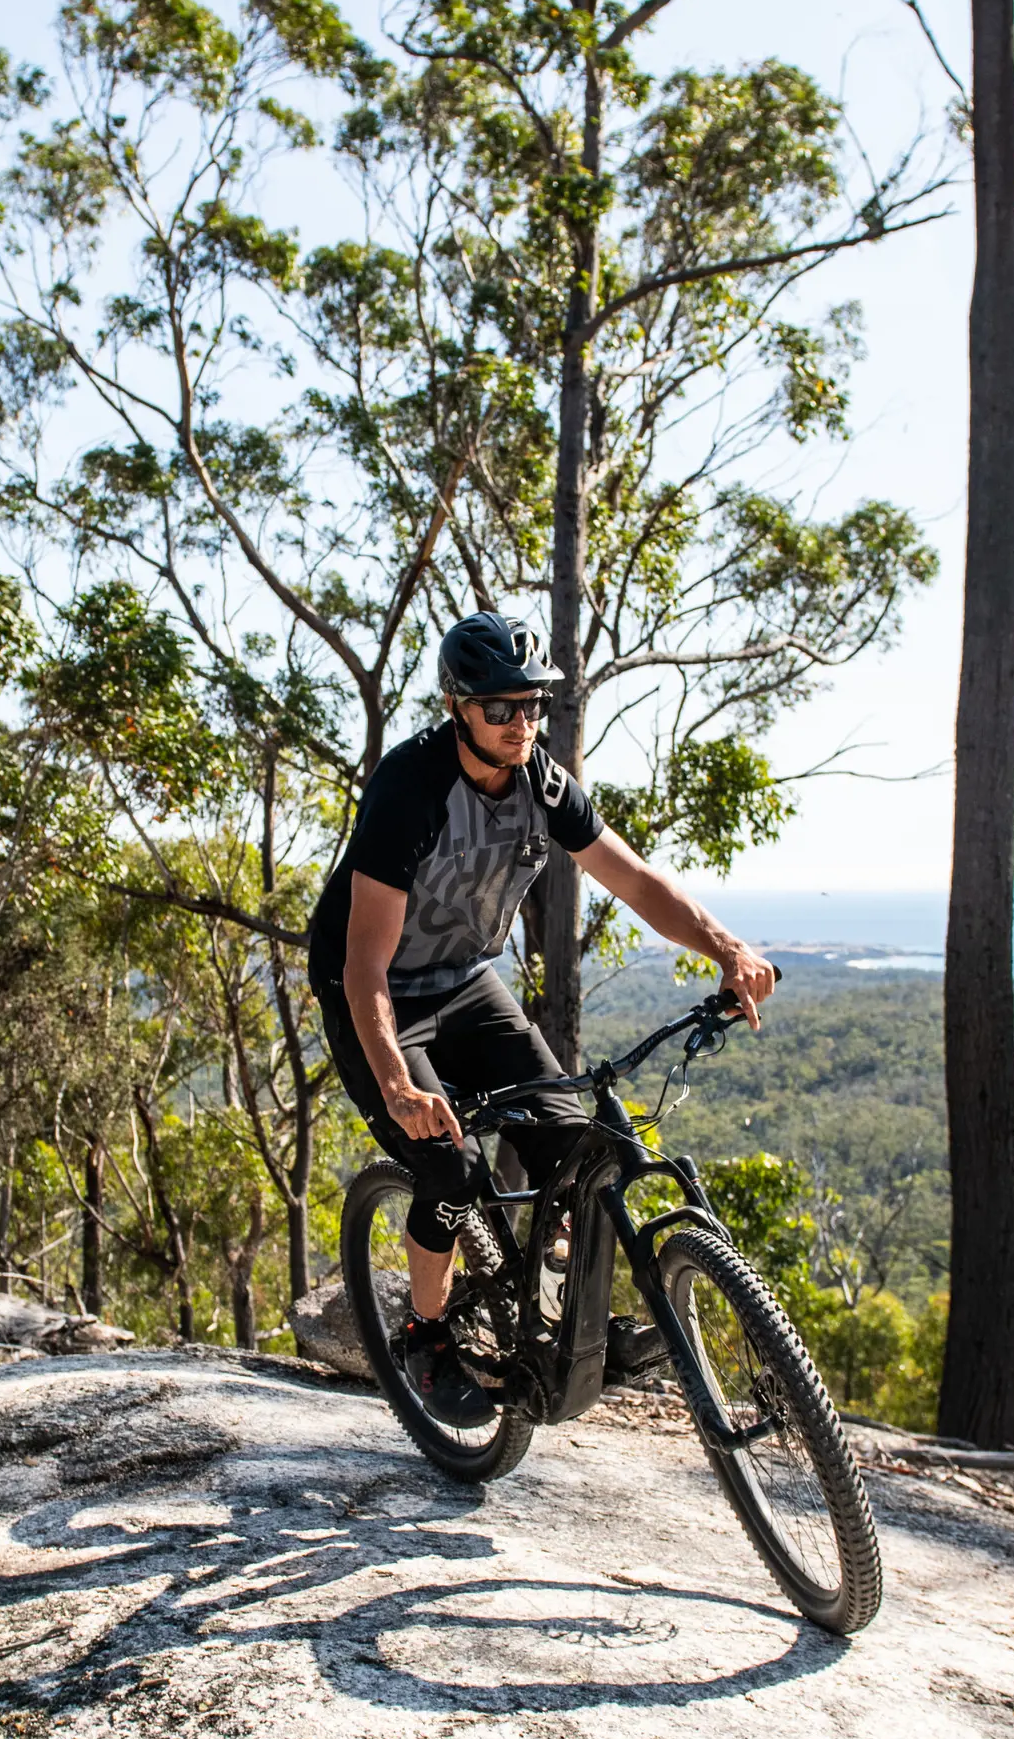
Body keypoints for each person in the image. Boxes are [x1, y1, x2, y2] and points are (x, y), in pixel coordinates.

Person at [310, 609, 777, 1425]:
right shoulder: (409, 789)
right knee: (447, 1167)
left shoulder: (542, 785)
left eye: (530, 705)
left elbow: (635, 881)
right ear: (457, 706)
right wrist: (396, 1083)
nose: (520, 722)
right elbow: (364, 966)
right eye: (500, 708)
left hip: (460, 982)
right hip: (376, 993)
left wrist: (726, 948)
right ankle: (426, 1336)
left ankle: (566, 1319)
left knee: (581, 1147)